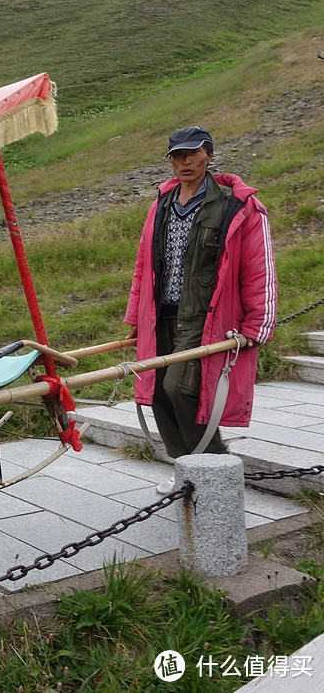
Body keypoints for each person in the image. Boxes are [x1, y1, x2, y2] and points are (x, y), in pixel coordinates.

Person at [124, 125, 276, 495]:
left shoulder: (237, 205)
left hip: (205, 317)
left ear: (209, 154)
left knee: (182, 387)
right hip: (162, 314)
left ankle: (215, 467)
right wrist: (135, 319)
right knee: (157, 389)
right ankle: (187, 470)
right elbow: (145, 265)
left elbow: (259, 267)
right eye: (177, 155)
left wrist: (258, 324)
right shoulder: (162, 204)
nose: (185, 161)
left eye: (193, 153)